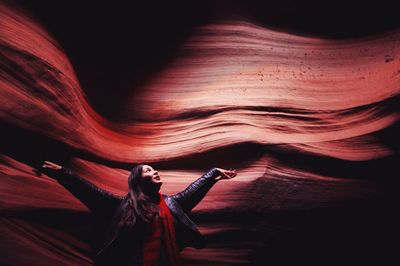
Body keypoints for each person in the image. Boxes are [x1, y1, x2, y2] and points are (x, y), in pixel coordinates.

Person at [41, 161, 237, 266]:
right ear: (138, 181)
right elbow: (92, 193)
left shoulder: (170, 204)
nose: (155, 172)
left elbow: (192, 192)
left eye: (154, 169)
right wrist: (63, 173)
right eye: (148, 170)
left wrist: (213, 174)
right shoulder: (124, 206)